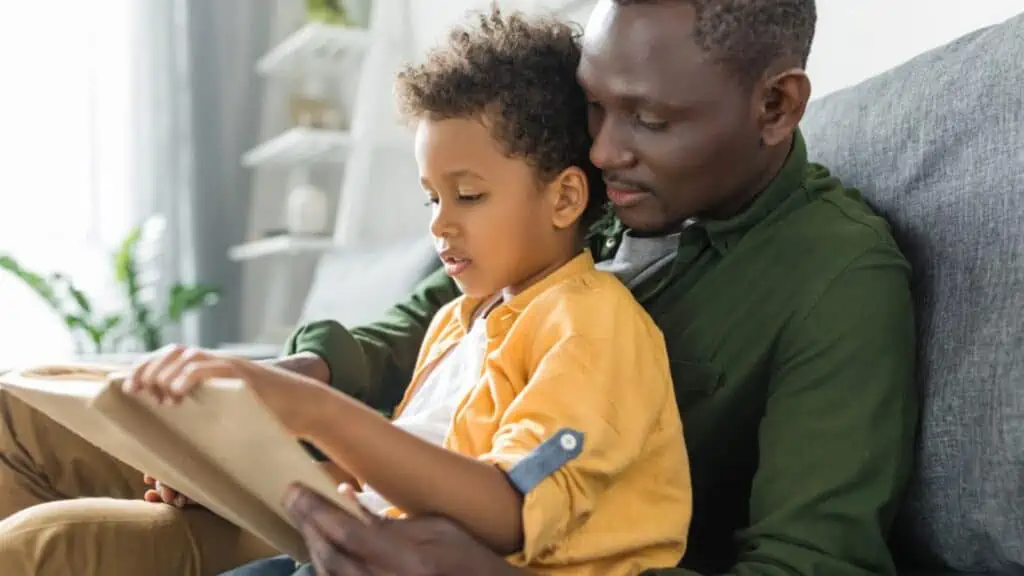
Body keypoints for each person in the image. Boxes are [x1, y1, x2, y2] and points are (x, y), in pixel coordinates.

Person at [0, 0, 917, 575]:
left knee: (52, 546)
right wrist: (264, 416)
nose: (598, 151)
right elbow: (427, 339)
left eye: (648, 118)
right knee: (17, 410)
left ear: (776, 106)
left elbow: (808, 561)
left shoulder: (839, 279)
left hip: (476, 536)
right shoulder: (597, 195)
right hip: (365, 489)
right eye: (594, 106)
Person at [127, 8, 692, 575]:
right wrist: (231, 478)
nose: (439, 224)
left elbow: (508, 510)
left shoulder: (590, 325)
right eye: (432, 198)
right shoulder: (455, 321)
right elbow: (390, 488)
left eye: (467, 195)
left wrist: (316, 410)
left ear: (565, 199)